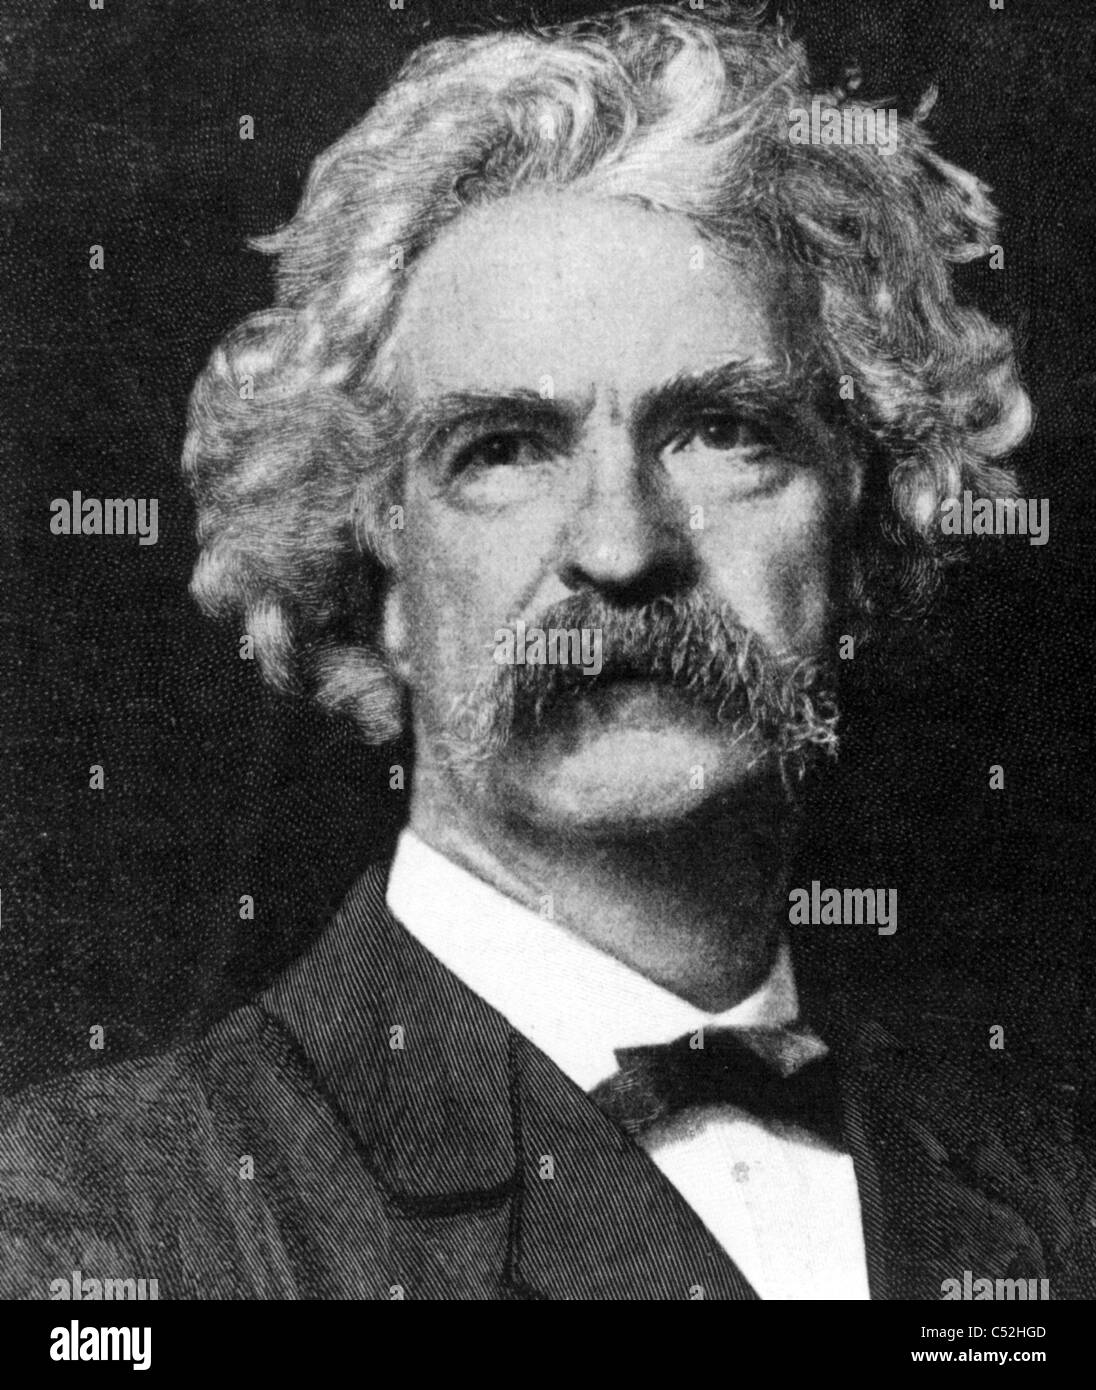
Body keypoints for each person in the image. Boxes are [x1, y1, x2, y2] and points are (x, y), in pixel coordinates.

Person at [2, 4, 1091, 1301]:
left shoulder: (1055, 1193)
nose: (621, 548)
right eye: (506, 450)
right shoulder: (100, 1226)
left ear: (861, 527)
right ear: (376, 574)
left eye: (725, 431)